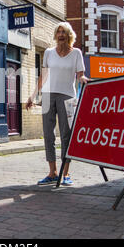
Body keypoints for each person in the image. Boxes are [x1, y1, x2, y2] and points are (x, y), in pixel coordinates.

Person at [26, 22, 88, 186]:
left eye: (64, 32)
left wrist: (83, 79)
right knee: (48, 134)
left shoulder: (76, 53)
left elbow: (80, 74)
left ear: (69, 35)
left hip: (67, 96)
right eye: (59, 31)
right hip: (47, 95)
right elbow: (43, 76)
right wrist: (33, 96)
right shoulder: (48, 52)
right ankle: (53, 172)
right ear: (56, 35)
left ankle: (65, 173)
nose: (61, 34)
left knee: (66, 134)